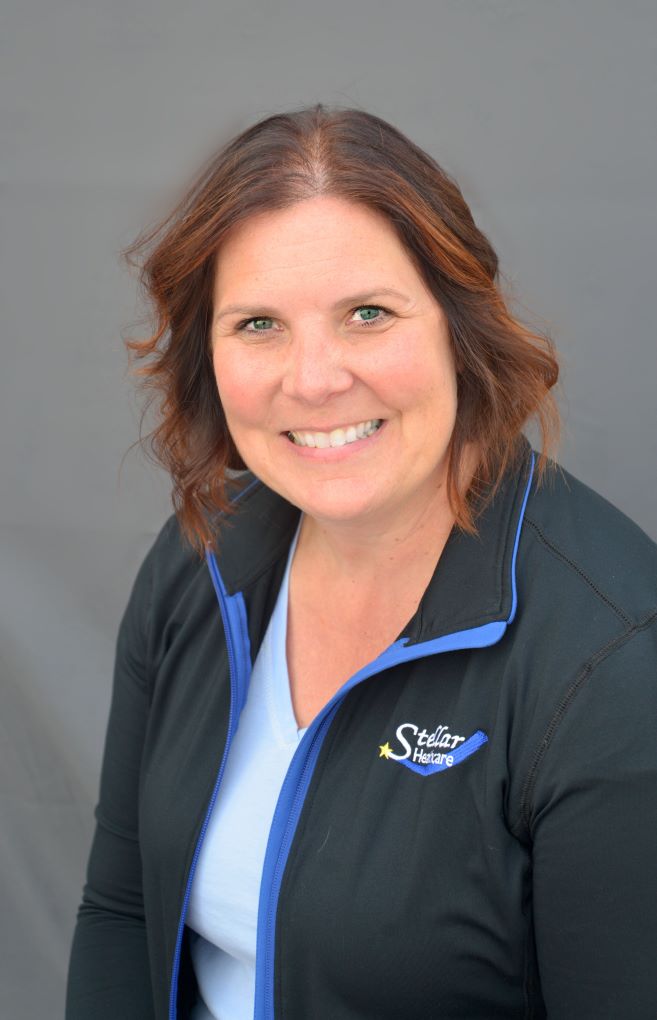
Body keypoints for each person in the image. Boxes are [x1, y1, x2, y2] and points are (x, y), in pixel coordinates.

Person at [65, 103, 657, 1020]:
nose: (314, 378)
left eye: (367, 314)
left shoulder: (613, 662)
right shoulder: (204, 558)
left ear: (459, 328)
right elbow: (121, 914)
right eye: (258, 324)